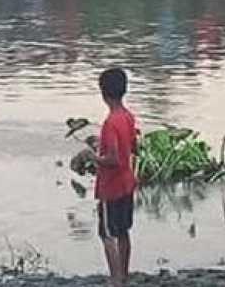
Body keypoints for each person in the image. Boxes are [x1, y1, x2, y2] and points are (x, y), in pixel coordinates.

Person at [78, 68, 137, 287]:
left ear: (103, 92)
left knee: (107, 234)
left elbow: (113, 158)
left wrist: (93, 157)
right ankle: (124, 274)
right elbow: (131, 147)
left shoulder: (111, 122)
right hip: (127, 183)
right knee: (123, 231)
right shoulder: (127, 116)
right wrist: (100, 146)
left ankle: (115, 279)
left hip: (111, 186)